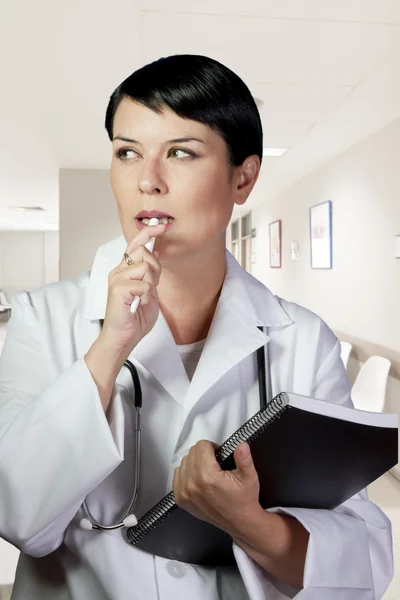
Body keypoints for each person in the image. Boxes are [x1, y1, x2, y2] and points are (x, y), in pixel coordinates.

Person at [0, 54, 393, 600]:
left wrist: (250, 525)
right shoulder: (42, 320)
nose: (147, 180)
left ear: (244, 178)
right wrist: (110, 345)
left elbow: (364, 562)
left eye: (181, 152)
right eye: (127, 152)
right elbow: (16, 515)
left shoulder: (301, 340)